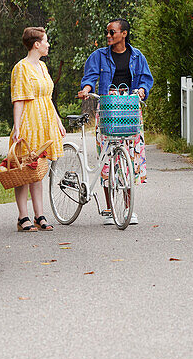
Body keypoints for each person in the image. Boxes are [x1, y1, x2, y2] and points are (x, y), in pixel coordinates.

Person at [76, 18, 154, 225]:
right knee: (107, 159)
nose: (108, 36)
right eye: (107, 33)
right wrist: (86, 90)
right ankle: (110, 209)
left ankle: (128, 208)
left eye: (112, 32)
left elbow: (146, 78)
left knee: (130, 159)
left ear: (124, 34)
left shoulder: (137, 56)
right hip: (108, 109)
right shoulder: (98, 56)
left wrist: (143, 90)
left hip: (130, 109)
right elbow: (90, 78)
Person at [11, 26, 66, 232]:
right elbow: (18, 99)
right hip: (29, 122)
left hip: (45, 121)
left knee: (38, 170)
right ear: (36, 44)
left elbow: (48, 97)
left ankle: (39, 215)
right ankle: (22, 217)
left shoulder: (42, 67)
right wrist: (17, 127)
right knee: (25, 171)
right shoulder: (21, 68)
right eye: (46, 41)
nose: (48, 44)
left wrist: (58, 121)